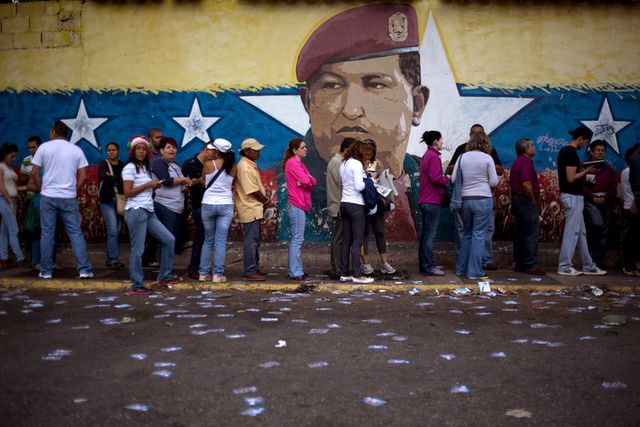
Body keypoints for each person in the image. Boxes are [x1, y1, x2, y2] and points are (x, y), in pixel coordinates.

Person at [295, 3, 428, 239]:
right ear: (308, 102)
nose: (352, 109)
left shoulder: (424, 179)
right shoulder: (281, 189)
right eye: (332, 85)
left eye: (376, 84)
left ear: (416, 105)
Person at [30, 121, 93, 280]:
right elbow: (84, 176)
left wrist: (41, 188)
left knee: (47, 234)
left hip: (48, 196)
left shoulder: (43, 148)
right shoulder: (76, 150)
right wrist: (74, 189)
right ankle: (84, 270)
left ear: (52, 132)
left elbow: (35, 173)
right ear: (67, 134)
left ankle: (46, 271)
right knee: (75, 233)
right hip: (68, 197)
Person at [122, 136, 177, 295]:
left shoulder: (145, 167)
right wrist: (148, 185)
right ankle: (137, 285)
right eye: (138, 149)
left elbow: (145, 188)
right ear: (133, 151)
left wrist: (153, 187)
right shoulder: (130, 168)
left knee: (169, 239)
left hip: (148, 210)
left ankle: (164, 276)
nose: (141, 152)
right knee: (138, 249)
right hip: (136, 211)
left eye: (144, 149)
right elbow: (127, 192)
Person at [447, 124, 504, 271]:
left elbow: (453, 179)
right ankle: (475, 270)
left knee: (465, 233)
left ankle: (461, 269)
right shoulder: (487, 157)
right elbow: (494, 181)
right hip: (483, 199)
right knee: (479, 234)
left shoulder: (461, 157)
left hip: (465, 199)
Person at [557, 125, 606, 276]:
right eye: (585, 142)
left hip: (574, 196)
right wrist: (587, 171)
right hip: (572, 196)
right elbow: (571, 178)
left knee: (581, 233)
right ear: (580, 139)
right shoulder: (570, 153)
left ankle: (588, 265)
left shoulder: (566, 152)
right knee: (572, 232)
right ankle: (564, 266)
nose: (585, 145)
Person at [199, 139, 236, 283]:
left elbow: (203, 182)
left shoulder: (207, 164)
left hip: (207, 204)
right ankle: (217, 275)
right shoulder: (234, 166)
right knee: (220, 241)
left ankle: (203, 273)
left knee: (208, 240)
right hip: (225, 205)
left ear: (217, 151)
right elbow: (233, 184)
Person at [151, 137, 194, 256]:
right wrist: (184, 179)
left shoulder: (175, 165)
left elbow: (177, 182)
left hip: (177, 208)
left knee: (171, 239)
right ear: (161, 150)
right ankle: (164, 271)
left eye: (174, 148)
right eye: (168, 147)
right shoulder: (159, 163)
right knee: (167, 240)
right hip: (165, 206)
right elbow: (166, 181)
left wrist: (184, 186)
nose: (172, 150)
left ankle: (167, 269)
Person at [339, 140, 374, 284]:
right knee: (357, 241)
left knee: (346, 240)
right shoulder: (357, 164)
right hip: (356, 205)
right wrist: (369, 180)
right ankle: (357, 274)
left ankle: (344, 273)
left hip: (344, 203)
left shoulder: (344, 163)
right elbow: (359, 186)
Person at [283, 138, 317, 280]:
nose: (305, 149)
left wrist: (306, 181)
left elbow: (312, 181)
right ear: (294, 150)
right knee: (297, 239)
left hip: (299, 204)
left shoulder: (298, 164)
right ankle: (295, 272)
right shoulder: (293, 164)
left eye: (305, 147)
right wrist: (306, 181)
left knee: (298, 239)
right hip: (296, 204)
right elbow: (306, 181)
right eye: (302, 147)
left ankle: (297, 271)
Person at [509, 138, 544, 275]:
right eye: (532, 146)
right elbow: (526, 184)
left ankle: (521, 263)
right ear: (526, 149)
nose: (534, 148)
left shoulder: (518, 162)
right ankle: (531, 264)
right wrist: (533, 200)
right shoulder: (525, 163)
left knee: (521, 234)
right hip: (525, 201)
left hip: (518, 201)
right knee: (531, 233)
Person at [361, 141, 396, 275]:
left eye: (370, 153)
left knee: (380, 232)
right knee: (364, 233)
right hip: (363, 203)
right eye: (366, 152)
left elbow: (374, 176)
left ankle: (385, 263)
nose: (368, 156)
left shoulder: (376, 163)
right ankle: (366, 264)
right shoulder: (357, 164)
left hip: (376, 202)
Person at [235, 138, 268, 281]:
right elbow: (253, 190)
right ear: (247, 151)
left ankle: (254, 267)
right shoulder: (244, 167)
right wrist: (266, 201)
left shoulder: (249, 165)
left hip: (254, 208)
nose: (258, 152)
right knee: (251, 241)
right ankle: (249, 271)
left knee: (254, 240)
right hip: (250, 208)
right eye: (255, 150)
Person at [418, 131, 450, 276]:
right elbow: (436, 178)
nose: (442, 142)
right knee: (429, 236)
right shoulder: (434, 156)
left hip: (425, 200)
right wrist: (448, 179)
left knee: (425, 236)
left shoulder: (427, 155)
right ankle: (429, 266)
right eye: (441, 139)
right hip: (432, 201)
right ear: (436, 141)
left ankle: (425, 265)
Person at [582, 140, 616, 269]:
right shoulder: (585, 166)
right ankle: (589, 257)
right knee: (597, 225)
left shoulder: (607, 168)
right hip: (591, 201)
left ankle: (597, 262)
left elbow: (613, 185)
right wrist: (592, 197)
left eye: (603, 151)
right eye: (598, 150)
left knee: (604, 232)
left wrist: (605, 197)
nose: (601, 153)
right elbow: (581, 186)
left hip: (605, 202)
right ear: (591, 151)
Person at [182, 143, 214, 280]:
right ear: (207, 150)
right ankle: (194, 267)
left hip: (210, 204)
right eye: (214, 152)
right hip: (197, 205)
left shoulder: (212, 165)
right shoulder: (189, 164)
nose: (216, 156)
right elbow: (184, 185)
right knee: (200, 236)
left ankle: (202, 267)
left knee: (207, 237)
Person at [327, 138, 354, 279]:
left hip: (340, 205)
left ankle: (339, 267)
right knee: (338, 239)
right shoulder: (337, 162)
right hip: (338, 205)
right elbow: (343, 183)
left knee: (341, 238)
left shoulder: (339, 162)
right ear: (347, 149)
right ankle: (337, 268)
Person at [98, 142, 125, 270]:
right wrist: (118, 178)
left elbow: (126, 180)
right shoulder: (103, 164)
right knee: (113, 230)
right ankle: (113, 260)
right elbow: (104, 177)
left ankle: (110, 259)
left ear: (118, 151)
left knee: (117, 231)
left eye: (114, 150)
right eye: (109, 150)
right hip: (107, 201)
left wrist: (113, 177)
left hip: (120, 200)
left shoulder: (123, 164)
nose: (111, 152)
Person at [0, 143, 27, 268]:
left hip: (11, 199)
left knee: (5, 230)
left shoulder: (8, 168)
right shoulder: (0, 167)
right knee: (13, 229)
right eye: (12, 156)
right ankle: (20, 257)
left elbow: (13, 187)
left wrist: (27, 187)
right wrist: (10, 202)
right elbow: (1, 186)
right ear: (5, 155)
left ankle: (3, 258)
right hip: (5, 200)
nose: (14, 159)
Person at [19, 136, 42, 269]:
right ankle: (34, 260)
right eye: (30, 147)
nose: (31, 149)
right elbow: (22, 178)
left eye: (34, 147)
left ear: (40, 146)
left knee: (44, 231)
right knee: (32, 230)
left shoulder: (45, 159)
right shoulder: (26, 160)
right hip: (30, 198)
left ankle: (43, 260)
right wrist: (32, 175)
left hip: (42, 198)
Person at [142, 127, 164, 267]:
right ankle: (146, 258)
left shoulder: (162, 155)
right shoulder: (147, 157)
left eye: (161, 137)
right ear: (149, 140)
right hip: (148, 196)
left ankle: (151, 257)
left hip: (160, 196)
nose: (160, 140)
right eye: (157, 137)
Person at [621, 144, 640, 276]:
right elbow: (635, 187)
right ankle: (630, 265)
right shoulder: (628, 172)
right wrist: (636, 201)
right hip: (633, 207)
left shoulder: (627, 171)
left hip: (632, 205)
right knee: (634, 238)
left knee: (633, 237)